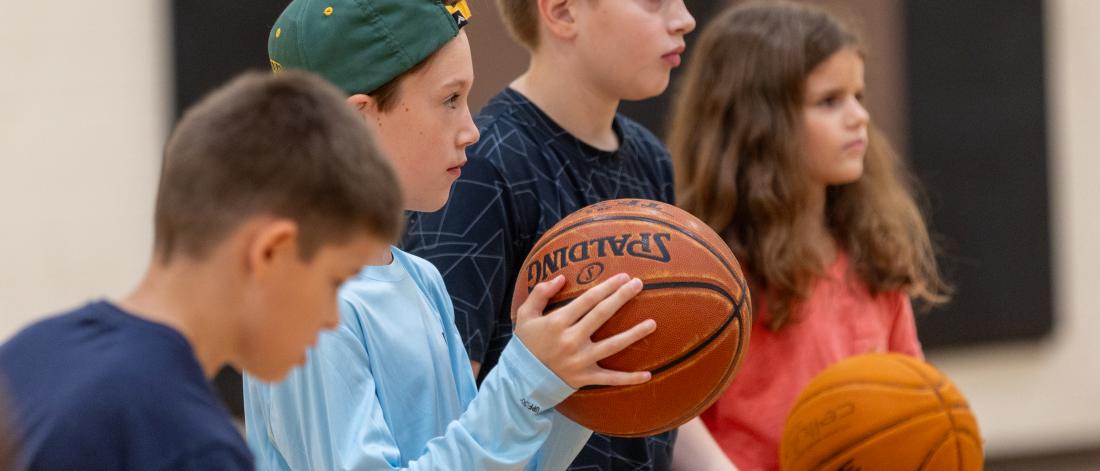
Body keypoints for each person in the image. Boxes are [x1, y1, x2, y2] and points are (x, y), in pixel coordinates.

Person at [244, 1, 658, 469]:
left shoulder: (420, 278)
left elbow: (496, 461)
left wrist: (571, 380)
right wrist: (524, 380)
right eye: (450, 100)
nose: (471, 130)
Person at [0, 70, 404, 470]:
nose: (333, 319)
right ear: (269, 253)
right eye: (335, 282)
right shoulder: (193, 448)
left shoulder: (30, 352)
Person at [404, 1, 736, 469]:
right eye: (655, 2)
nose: (684, 18)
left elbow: (665, 367)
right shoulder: (483, 168)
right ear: (562, 12)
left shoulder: (649, 157)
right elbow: (446, 405)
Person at [666, 2, 952, 469]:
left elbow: (913, 397)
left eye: (858, 95)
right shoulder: (704, 274)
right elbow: (672, 417)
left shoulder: (870, 252)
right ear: (758, 125)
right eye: (829, 101)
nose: (859, 116)